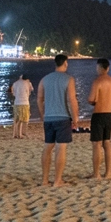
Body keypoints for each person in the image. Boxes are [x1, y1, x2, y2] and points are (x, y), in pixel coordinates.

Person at [39, 54, 79, 187]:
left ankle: (45, 180)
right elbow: (72, 100)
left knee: (47, 147)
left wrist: (42, 114)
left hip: (48, 118)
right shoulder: (69, 79)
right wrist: (76, 117)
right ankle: (57, 180)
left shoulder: (44, 79)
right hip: (63, 118)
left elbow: (39, 99)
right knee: (61, 147)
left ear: (55, 63)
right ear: (66, 63)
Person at [88, 59, 111, 180]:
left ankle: (97, 174)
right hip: (110, 113)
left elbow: (91, 99)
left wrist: (94, 102)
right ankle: (108, 173)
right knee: (107, 142)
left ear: (99, 68)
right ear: (108, 68)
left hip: (99, 113)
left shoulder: (97, 81)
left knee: (97, 144)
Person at [11, 73, 33, 139]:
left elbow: (13, 93)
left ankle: (15, 134)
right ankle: (20, 134)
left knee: (17, 119)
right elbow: (30, 91)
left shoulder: (15, 83)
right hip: (24, 103)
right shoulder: (28, 83)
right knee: (23, 119)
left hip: (17, 103)